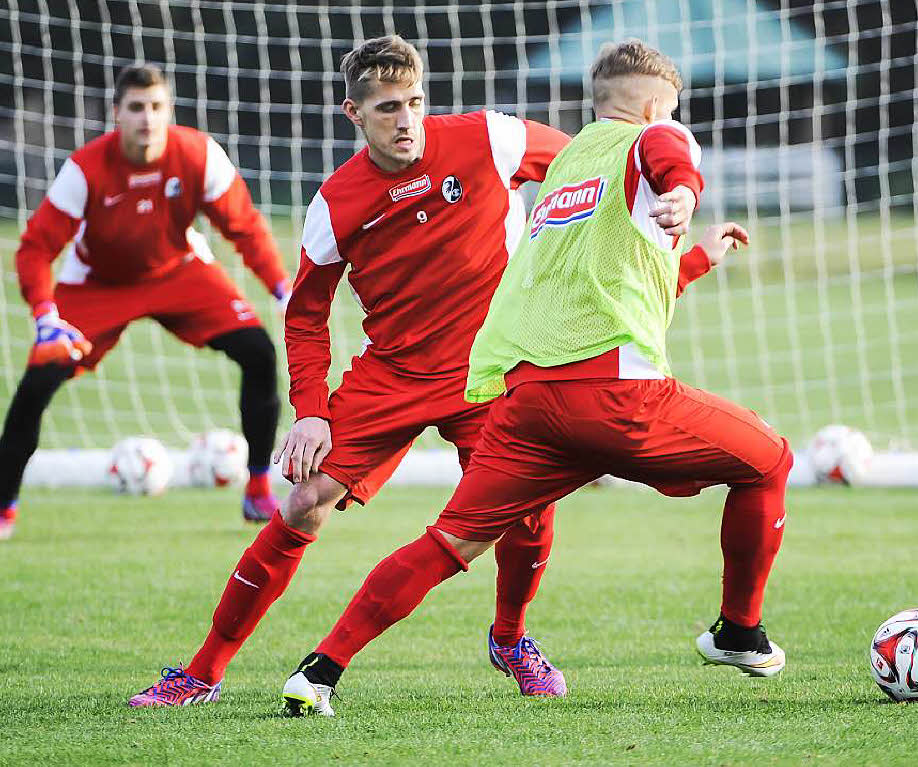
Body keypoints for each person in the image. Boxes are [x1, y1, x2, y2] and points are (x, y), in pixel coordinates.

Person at [276, 39, 794, 714]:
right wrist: (685, 195)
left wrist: (693, 259)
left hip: (527, 402)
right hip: (617, 396)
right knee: (769, 460)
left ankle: (319, 670)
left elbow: (609, 279)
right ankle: (738, 629)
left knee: (446, 543)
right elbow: (671, 156)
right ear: (652, 105)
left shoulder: (570, 170)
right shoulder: (652, 137)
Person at [129, 35, 573, 711]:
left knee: (528, 508)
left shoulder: (490, 138)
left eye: (415, 103)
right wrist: (309, 408)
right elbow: (305, 314)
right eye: (389, 107)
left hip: (490, 368)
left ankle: (510, 637)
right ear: (354, 114)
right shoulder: (336, 201)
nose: (406, 120)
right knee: (304, 501)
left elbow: (582, 164)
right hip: (392, 373)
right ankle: (202, 671)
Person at [0, 64, 290, 541]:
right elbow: (35, 248)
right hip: (96, 285)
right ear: (118, 114)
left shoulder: (198, 155)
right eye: (136, 108)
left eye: (157, 107)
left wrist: (282, 288)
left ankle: (258, 489)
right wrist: (44, 316)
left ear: (169, 111)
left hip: (180, 272)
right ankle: (5, 506)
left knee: (258, 352)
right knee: (37, 384)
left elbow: (244, 226)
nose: (148, 119)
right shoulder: (86, 169)